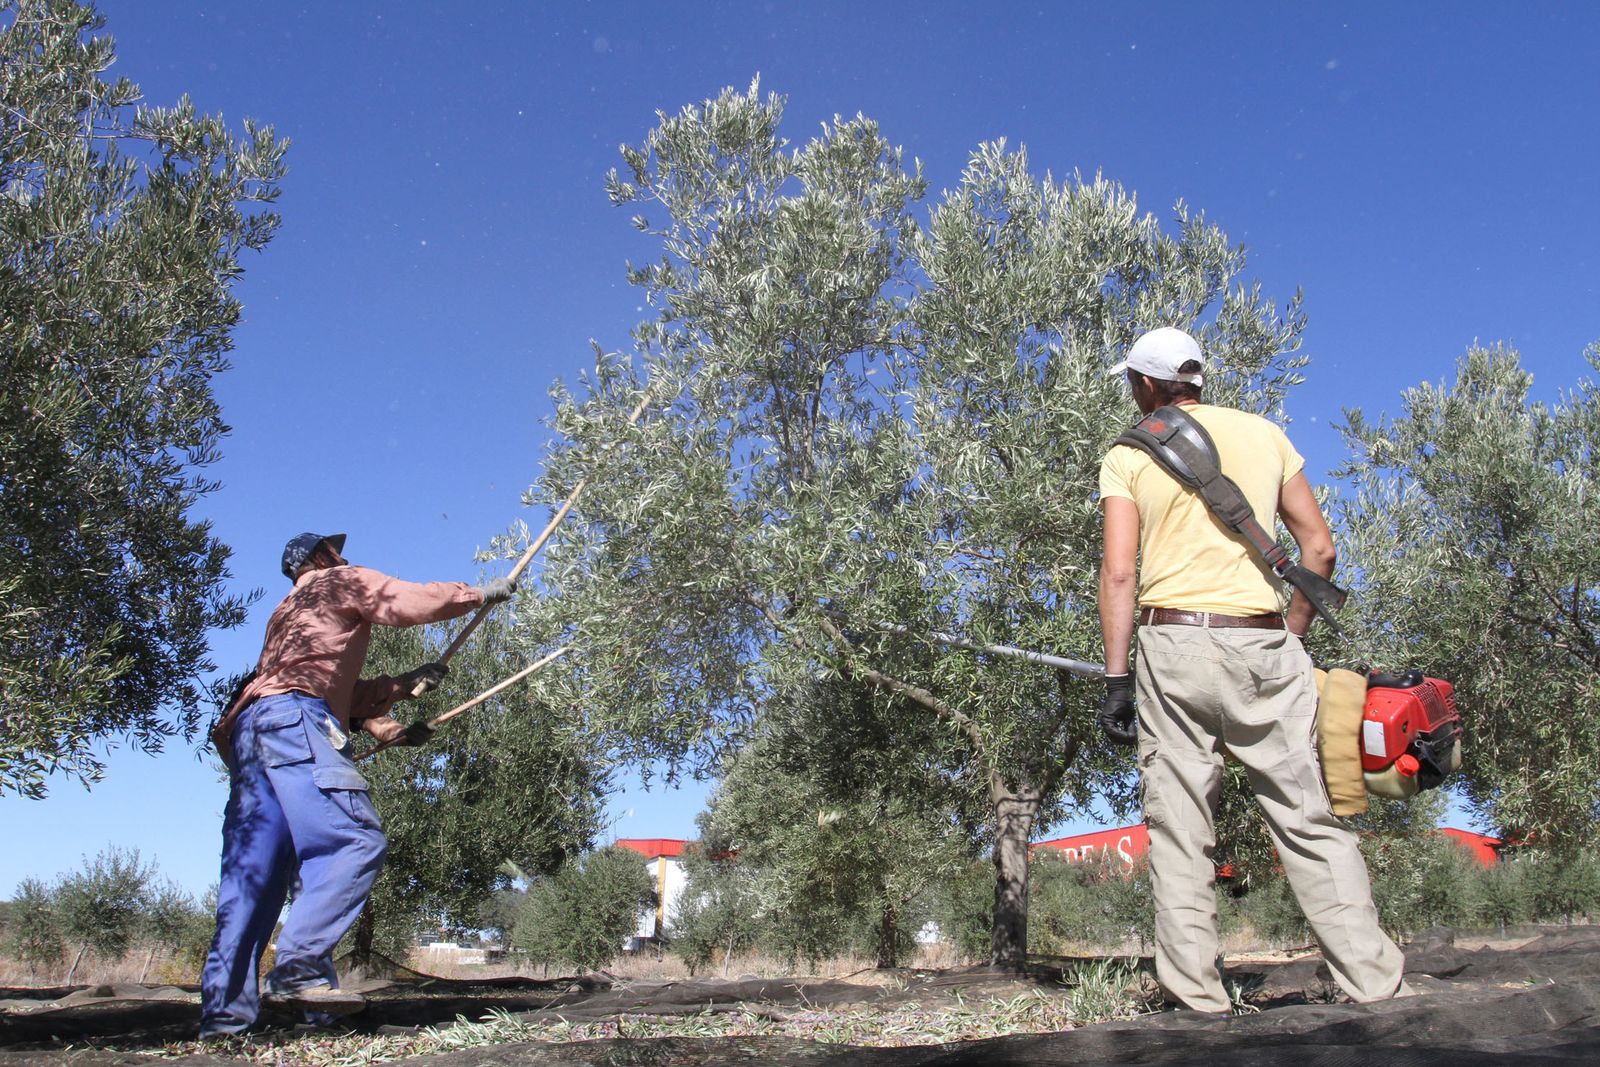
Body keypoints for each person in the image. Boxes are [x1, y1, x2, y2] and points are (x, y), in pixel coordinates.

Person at [1095, 327, 1407, 1014]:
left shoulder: (1127, 453)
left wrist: (1118, 681)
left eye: (1132, 383)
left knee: (1180, 828)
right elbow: (1318, 548)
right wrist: (1288, 638)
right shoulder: (1267, 435)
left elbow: (1120, 571)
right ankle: (1375, 983)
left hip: (1173, 643)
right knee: (1309, 819)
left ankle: (1199, 999)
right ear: (1197, 379)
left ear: (1146, 385)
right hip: (1265, 644)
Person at [199, 532, 517, 1037]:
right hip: (293, 721)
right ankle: (298, 971)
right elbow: (401, 600)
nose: (342, 556)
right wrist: (476, 594)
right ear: (321, 558)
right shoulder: (337, 581)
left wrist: (397, 702)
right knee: (352, 840)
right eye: (334, 550)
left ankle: (229, 1023)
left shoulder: (286, 612)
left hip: (253, 735)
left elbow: (332, 693)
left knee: (254, 880)